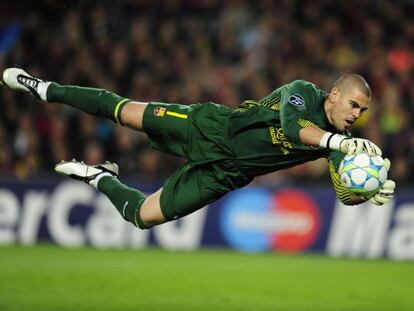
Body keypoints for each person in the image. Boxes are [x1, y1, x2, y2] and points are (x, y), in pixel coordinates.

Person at [1, 68, 396, 229]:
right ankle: (46, 89)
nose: (357, 114)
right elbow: (293, 129)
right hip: (209, 127)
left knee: (142, 217)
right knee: (122, 111)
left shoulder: (338, 147)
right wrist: (340, 143)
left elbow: (343, 194)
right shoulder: (302, 94)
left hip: (227, 173)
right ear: (335, 93)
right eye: (354, 105)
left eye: (363, 111)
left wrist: (366, 189)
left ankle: (101, 177)